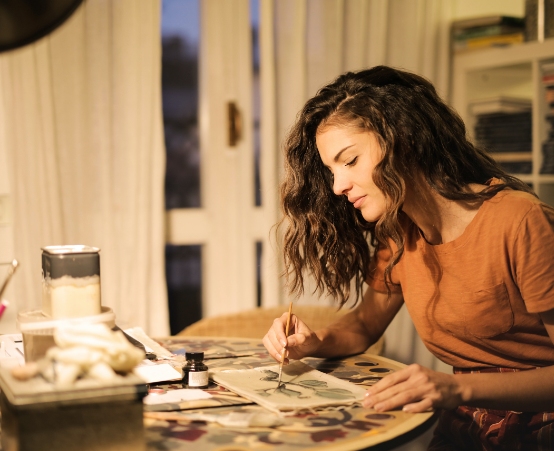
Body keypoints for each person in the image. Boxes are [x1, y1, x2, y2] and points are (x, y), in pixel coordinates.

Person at [263, 65, 554, 450]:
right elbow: (364, 327)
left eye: (349, 161)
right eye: (331, 170)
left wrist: (454, 386)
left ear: (402, 139)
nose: (337, 186)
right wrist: (314, 341)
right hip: (466, 427)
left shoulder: (519, 220)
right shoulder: (399, 231)